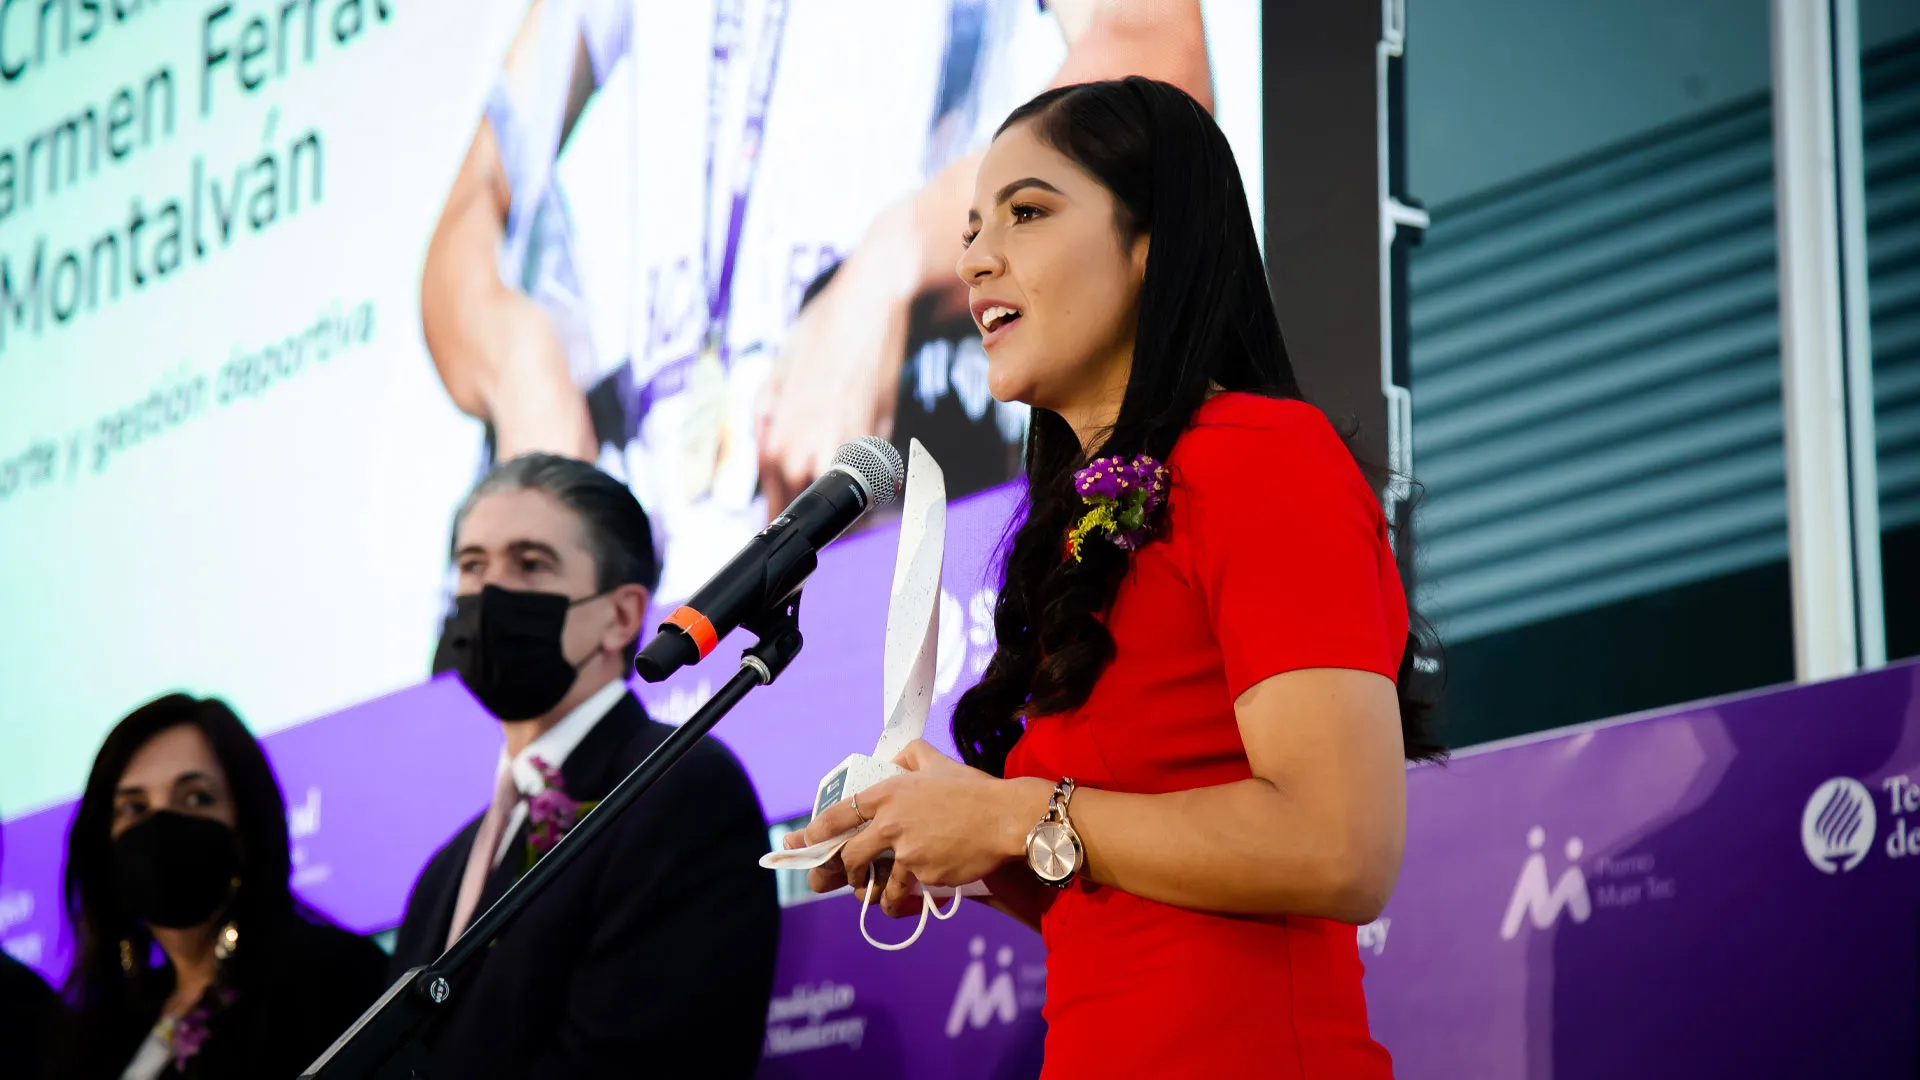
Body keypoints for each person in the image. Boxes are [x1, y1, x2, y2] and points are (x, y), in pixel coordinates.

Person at [786, 77, 1448, 1077]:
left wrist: (1016, 813)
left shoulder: (1263, 455)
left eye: (1027, 212)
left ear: (1151, 246)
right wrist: (955, 840)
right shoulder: (1087, 523)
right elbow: (1120, 894)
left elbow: (1341, 846)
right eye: (970, 228)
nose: (975, 260)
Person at [418, 0, 1218, 609]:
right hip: (669, 593)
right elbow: (466, 221)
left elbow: (1153, 71)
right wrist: (520, 367)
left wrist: (896, 262)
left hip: (914, 554)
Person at [391, 453, 779, 1078]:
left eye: (530, 564)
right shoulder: (446, 871)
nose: (490, 591)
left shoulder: (676, 789)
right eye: (472, 565)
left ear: (621, 616)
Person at [56, 694, 389, 1079]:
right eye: (134, 808)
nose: (162, 826)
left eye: (196, 798)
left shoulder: (331, 979)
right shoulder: (99, 1027)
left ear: (247, 826)